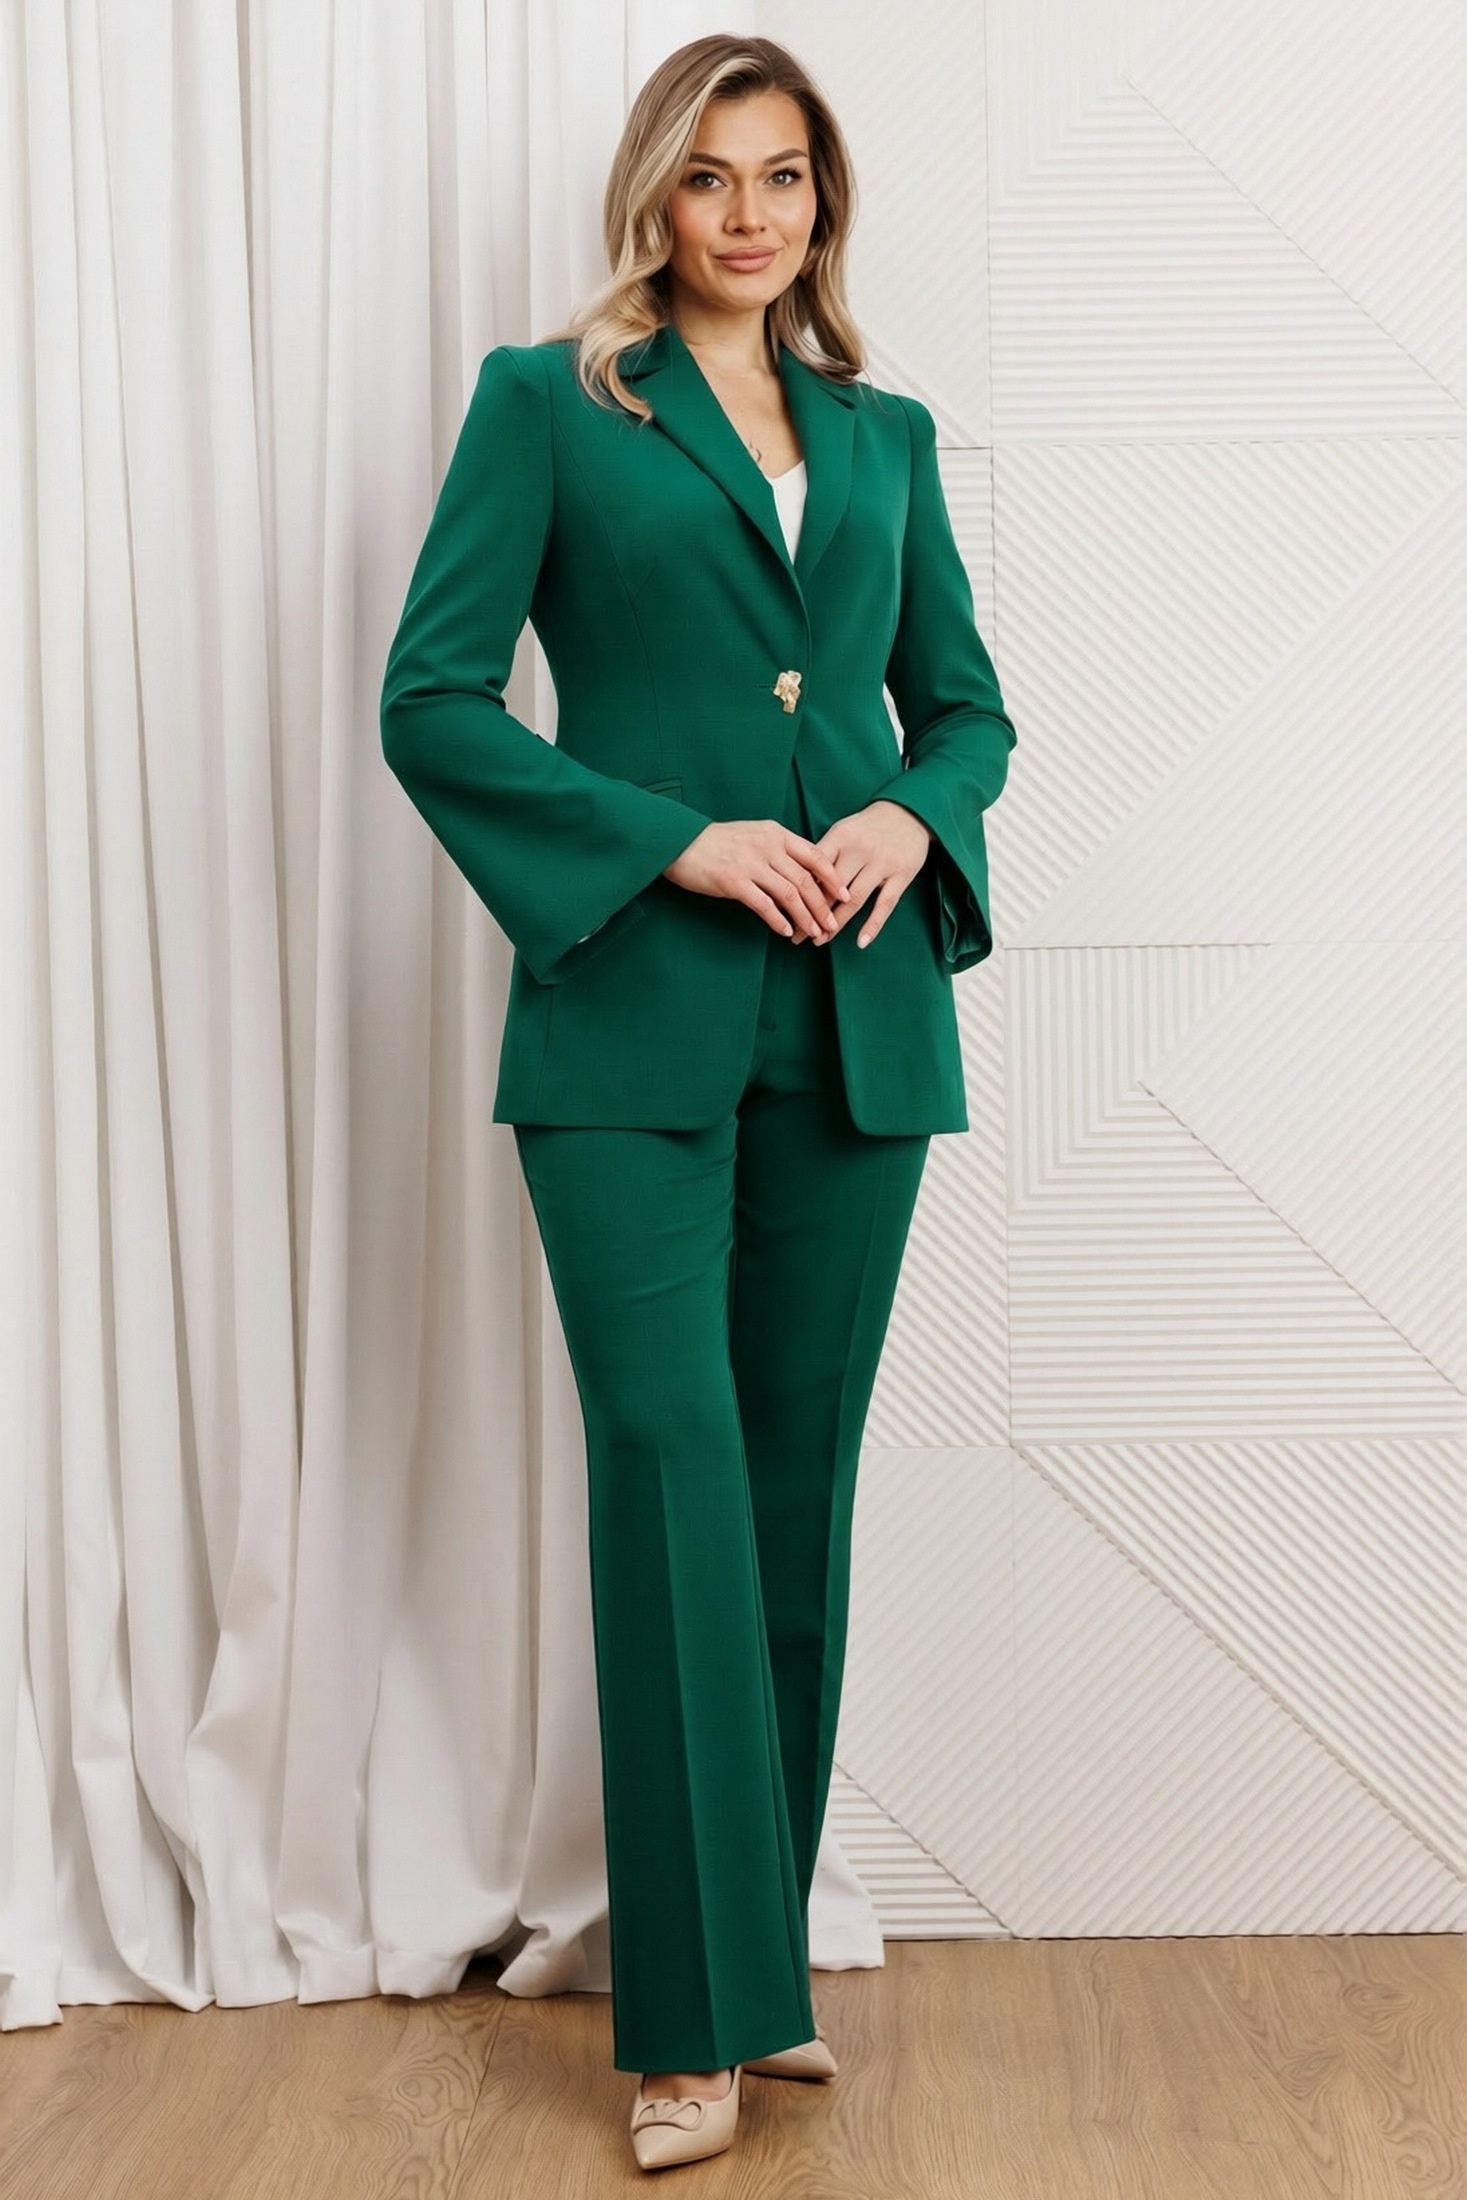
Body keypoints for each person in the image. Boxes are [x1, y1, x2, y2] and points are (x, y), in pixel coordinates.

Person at [379, 31, 1016, 2174]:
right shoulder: (548, 403)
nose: (750, 213)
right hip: (633, 1013)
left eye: (784, 176)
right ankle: (687, 2020)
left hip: (854, 1017)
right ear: (655, 194)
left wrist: (913, 817)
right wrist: (673, 841)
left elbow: (964, 708)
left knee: (791, 1498)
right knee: (670, 1471)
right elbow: (432, 700)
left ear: (823, 202)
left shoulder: (884, 432)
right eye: (711, 175)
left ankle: (754, 1968)